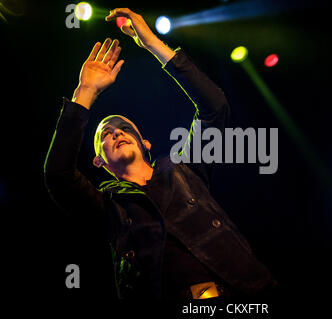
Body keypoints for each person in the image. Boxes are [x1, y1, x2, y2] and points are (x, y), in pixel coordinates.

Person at [44, 8, 277, 299]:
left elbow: (214, 107)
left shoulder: (185, 169)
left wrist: (153, 44)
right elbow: (58, 175)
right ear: (99, 161)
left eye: (123, 128)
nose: (116, 132)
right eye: (105, 134)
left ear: (146, 143)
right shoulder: (109, 207)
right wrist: (86, 91)